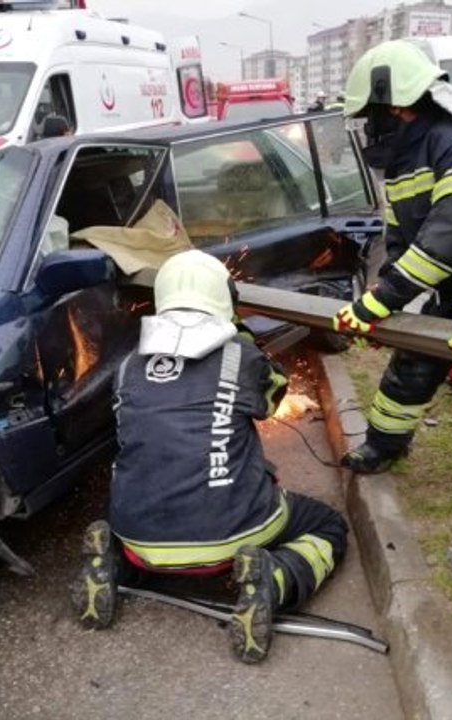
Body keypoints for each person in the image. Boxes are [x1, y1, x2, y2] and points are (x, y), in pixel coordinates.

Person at [72, 249, 348, 664]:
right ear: (227, 298)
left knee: (154, 533)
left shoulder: (128, 365)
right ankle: (274, 582)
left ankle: (113, 562)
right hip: (230, 533)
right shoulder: (242, 356)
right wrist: (242, 339)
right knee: (330, 527)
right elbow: (272, 397)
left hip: (136, 531)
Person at [333, 39, 452, 474]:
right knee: (411, 367)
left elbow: (451, 236)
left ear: (395, 107)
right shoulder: (411, 154)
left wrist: (381, 300)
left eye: (368, 116)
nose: (367, 129)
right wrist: (384, 289)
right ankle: (384, 446)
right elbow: (403, 231)